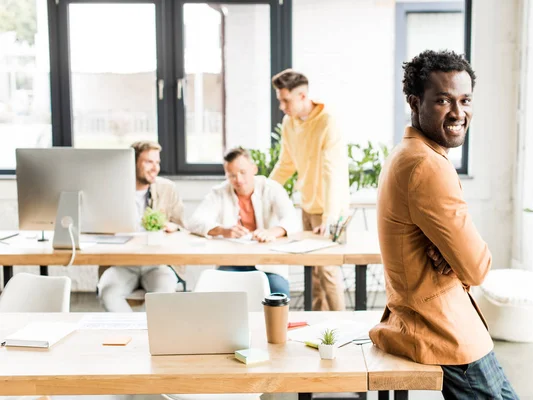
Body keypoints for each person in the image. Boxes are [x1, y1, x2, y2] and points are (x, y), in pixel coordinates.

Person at [369, 50, 518, 399]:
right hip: (445, 331)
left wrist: (452, 255)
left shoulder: (408, 153)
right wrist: (456, 259)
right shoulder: (427, 166)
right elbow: (477, 267)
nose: (458, 112)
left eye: (465, 100)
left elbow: (461, 259)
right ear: (414, 101)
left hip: (433, 320)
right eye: (443, 100)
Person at [269, 69, 349, 311]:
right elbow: (286, 163)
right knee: (312, 273)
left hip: (330, 209)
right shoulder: (289, 123)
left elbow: (331, 172)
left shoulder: (327, 122)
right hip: (307, 205)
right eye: (279, 100)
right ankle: (319, 331)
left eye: (286, 100)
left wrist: (329, 217)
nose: (282, 106)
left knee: (328, 271)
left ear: (302, 95)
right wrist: (261, 191)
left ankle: (341, 325)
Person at [187, 147, 299, 296]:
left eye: (243, 172)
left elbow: (292, 219)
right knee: (215, 292)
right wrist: (223, 230)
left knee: (278, 296)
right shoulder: (219, 192)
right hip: (232, 263)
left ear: (254, 169)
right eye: (232, 175)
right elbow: (194, 221)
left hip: (268, 265)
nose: (238, 180)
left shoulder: (271, 188)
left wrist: (271, 232)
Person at [97, 140, 185, 312]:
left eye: (157, 162)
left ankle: (145, 332)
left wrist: (174, 227)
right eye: (148, 162)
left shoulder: (168, 188)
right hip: (121, 263)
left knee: (164, 295)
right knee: (108, 293)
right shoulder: (112, 189)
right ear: (133, 163)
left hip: (157, 263)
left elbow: (182, 226)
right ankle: (133, 331)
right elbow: (96, 226)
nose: (155, 168)